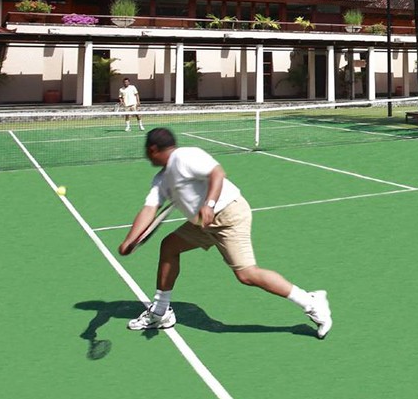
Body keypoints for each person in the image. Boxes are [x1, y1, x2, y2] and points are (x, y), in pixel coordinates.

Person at [118, 127, 333, 339]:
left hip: (229, 215)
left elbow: (217, 173)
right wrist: (130, 240)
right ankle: (160, 312)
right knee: (169, 246)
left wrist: (209, 204)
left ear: (153, 149)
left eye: (147, 151)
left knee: (247, 274)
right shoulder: (161, 179)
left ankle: (311, 302)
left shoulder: (185, 156)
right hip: (203, 223)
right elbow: (150, 209)